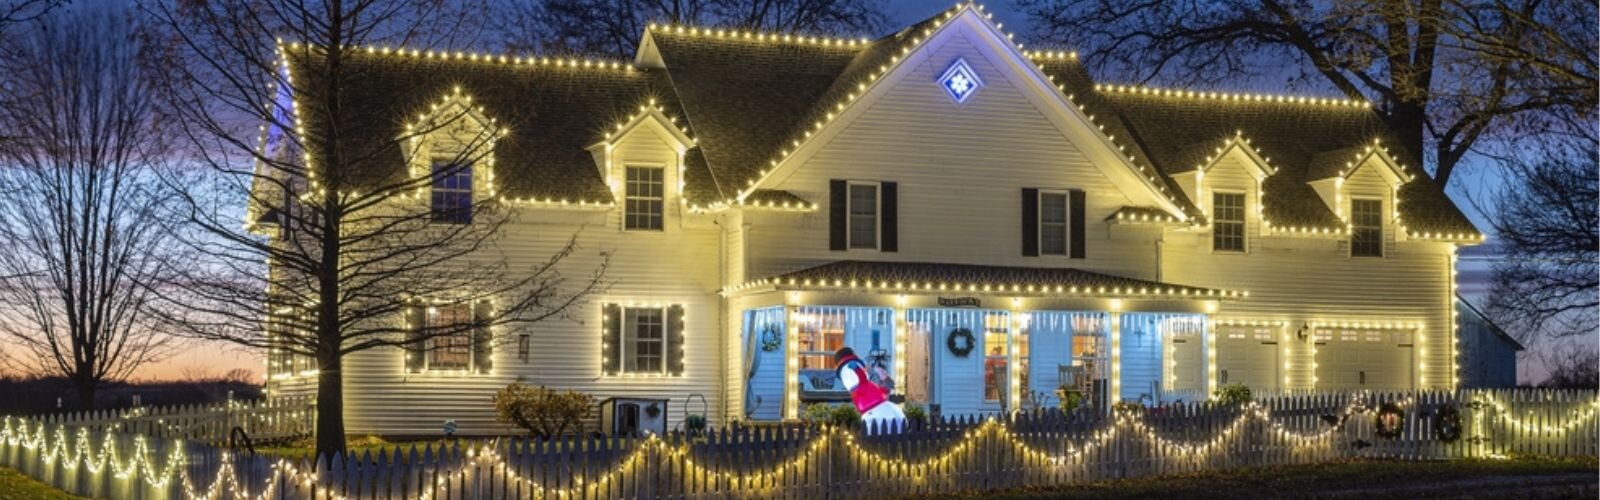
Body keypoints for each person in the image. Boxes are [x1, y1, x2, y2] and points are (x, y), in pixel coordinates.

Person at [835, 347, 906, 433]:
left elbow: (884, 390)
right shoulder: (859, 388)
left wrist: (885, 379)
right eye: (845, 374)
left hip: (883, 411)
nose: (848, 376)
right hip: (874, 415)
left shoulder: (868, 383)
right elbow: (862, 378)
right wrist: (856, 369)